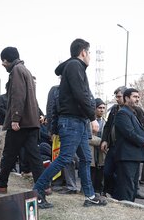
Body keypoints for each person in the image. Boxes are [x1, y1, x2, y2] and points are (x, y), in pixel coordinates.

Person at [32, 38, 107, 209]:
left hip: (78, 121)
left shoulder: (75, 66)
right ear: (83, 52)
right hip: (72, 121)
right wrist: (93, 117)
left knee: (86, 159)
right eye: (89, 53)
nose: (90, 57)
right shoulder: (74, 66)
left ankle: (90, 196)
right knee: (65, 158)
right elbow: (81, 94)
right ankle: (37, 192)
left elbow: (81, 95)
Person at [0, 47, 43, 193]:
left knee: (9, 154)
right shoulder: (25, 70)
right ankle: (44, 185)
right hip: (30, 122)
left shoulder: (16, 70)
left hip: (21, 123)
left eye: (3, 61)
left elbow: (18, 95)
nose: (2, 64)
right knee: (34, 156)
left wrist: (15, 118)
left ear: (6, 60)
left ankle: (1, 185)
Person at [112, 88, 144, 201]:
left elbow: (139, 131)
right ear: (126, 98)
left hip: (133, 156)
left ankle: (129, 209)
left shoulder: (133, 113)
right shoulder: (122, 113)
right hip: (126, 156)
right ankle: (125, 210)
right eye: (134, 97)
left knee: (132, 188)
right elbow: (129, 133)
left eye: (138, 97)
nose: (137, 99)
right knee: (126, 188)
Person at [90, 98, 107, 194]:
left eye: (104, 108)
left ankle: (99, 192)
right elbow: (87, 137)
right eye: (99, 107)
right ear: (95, 108)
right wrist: (102, 141)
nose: (102, 110)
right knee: (91, 173)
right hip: (91, 151)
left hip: (101, 153)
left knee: (100, 174)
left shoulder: (105, 122)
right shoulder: (88, 121)